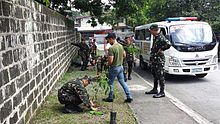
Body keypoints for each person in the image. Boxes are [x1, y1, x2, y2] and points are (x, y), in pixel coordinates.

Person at [103, 33, 133, 103]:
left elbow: (110, 61)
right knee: (122, 82)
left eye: (108, 40)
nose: (108, 42)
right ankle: (129, 96)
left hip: (114, 68)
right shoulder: (120, 46)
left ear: (111, 39)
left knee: (110, 82)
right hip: (120, 67)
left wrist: (107, 64)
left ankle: (110, 97)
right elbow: (124, 55)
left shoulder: (112, 48)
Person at [145, 24, 171, 98]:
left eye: (151, 31)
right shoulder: (156, 37)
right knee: (155, 74)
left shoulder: (161, 37)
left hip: (159, 60)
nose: (150, 32)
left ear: (154, 30)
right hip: (154, 59)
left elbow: (169, 44)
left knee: (160, 75)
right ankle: (155, 89)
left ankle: (162, 92)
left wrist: (162, 49)